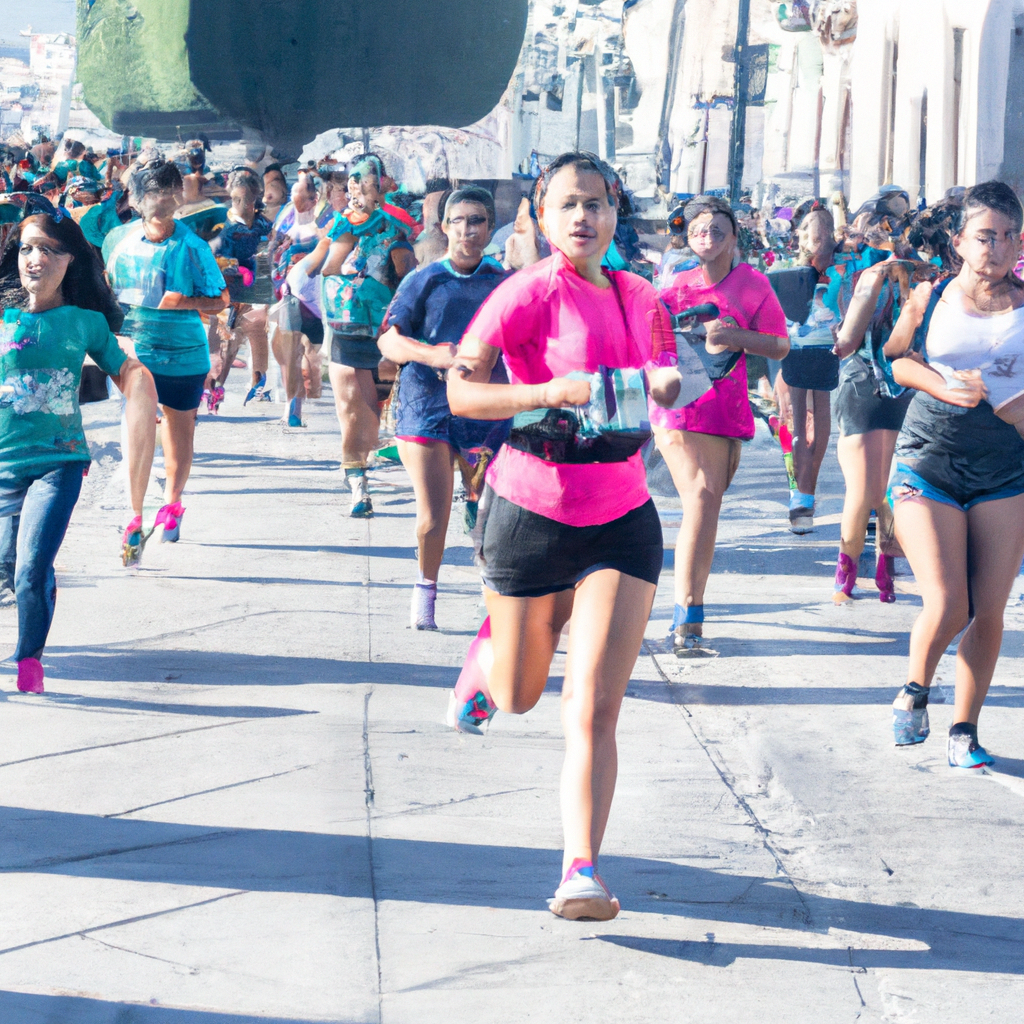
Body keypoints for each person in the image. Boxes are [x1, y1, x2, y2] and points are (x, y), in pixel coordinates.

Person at [445, 152, 680, 921]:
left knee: (594, 707)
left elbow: (662, 371)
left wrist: (672, 383)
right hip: (528, 510)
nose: (584, 217)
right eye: (567, 205)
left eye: (597, 204)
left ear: (616, 214)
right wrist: (548, 391)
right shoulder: (524, 294)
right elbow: (464, 388)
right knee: (516, 696)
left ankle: (582, 869)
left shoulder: (642, 295)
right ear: (541, 219)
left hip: (621, 517)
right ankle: (486, 657)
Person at [881, 182, 1024, 768]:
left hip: (1004, 467)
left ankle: (964, 730)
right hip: (928, 455)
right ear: (961, 241)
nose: (998, 248)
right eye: (985, 236)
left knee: (989, 607)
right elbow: (894, 357)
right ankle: (915, 687)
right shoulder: (930, 295)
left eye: (1009, 236)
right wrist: (942, 384)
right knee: (948, 602)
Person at [0, 202, 157, 694]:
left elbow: (122, 368)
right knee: (9, 566)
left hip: (59, 461)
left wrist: (140, 385)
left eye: (48, 250)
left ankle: (29, 660)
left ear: (70, 261)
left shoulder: (84, 323)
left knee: (30, 567)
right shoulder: (1, 316)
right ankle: (37, 596)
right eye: (27, 248)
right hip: (3, 466)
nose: (35, 259)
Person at [654, 196, 789, 655]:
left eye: (716, 229)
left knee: (708, 504)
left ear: (734, 237)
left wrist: (732, 336)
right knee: (702, 494)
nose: (706, 236)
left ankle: (690, 606)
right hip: (681, 398)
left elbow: (779, 347)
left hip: (726, 410)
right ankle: (687, 617)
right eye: (697, 230)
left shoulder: (753, 285)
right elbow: (655, 342)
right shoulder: (675, 284)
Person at [378, 186, 510, 629]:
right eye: (460, 221)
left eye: (478, 221)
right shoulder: (424, 279)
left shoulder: (506, 282)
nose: (468, 230)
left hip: (486, 411)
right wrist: (433, 354)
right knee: (433, 517)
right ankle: (424, 594)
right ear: (444, 227)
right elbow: (389, 339)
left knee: (487, 514)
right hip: (426, 406)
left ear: (490, 229)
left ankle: (488, 595)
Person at [105, 157, 229, 563]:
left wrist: (184, 303)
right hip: (135, 351)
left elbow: (221, 301)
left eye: (167, 191)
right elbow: (105, 290)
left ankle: (172, 503)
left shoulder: (192, 247)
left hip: (184, 355)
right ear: (137, 200)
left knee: (179, 435)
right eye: (152, 192)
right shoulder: (119, 242)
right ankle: (134, 517)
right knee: (136, 425)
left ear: (179, 197)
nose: (160, 200)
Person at [830, 201, 926, 602]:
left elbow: (842, 339)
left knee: (859, 490)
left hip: (861, 383)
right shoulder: (922, 274)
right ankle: (886, 577)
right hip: (905, 384)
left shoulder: (854, 274)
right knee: (890, 487)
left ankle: (845, 580)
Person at [319, 155, 416, 516]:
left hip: (381, 337)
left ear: (384, 186)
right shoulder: (337, 225)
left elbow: (409, 284)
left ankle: (359, 464)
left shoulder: (395, 232)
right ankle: (358, 485)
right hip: (344, 330)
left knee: (373, 418)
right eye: (352, 181)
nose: (356, 187)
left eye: (364, 180)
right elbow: (321, 266)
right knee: (351, 413)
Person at [769, 205, 842, 533]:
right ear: (802, 237)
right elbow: (777, 310)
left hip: (826, 348)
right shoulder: (787, 269)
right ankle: (801, 496)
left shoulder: (842, 267)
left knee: (822, 417)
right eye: (813, 234)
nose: (818, 239)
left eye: (823, 233)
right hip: (796, 350)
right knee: (798, 420)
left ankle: (805, 491)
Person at [208, 167, 274, 407]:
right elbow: (212, 256)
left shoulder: (264, 226)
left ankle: (258, 385)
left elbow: (269, 258)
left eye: (245, 199)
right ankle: (213, 389)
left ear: (255, 198)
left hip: (252, 294)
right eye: (235, 199)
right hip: (224, 296)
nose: (240, 204)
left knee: (250, 341)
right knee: (223, 345)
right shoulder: (221, 224)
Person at [267, 172, 326, 427]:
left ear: (313, 198)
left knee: (305, 350)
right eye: (292, 190)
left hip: (311, 293)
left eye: (297, 190)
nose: (292, 194)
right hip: (288, 291)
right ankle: (292, 406)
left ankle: (296, 403)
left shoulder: (323, 224)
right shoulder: (287, 216)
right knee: (290, 349)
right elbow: (273, 247)